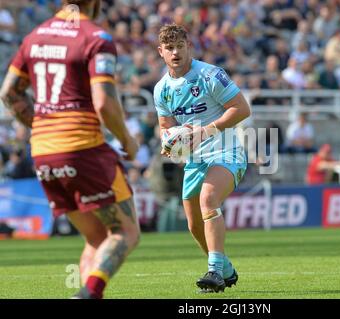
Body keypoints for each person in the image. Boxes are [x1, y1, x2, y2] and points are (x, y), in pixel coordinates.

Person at [0, 0, 140, 299]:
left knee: (96, 237)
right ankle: (89, 292)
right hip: (82, 147)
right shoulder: (95, 37)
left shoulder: (35, 36)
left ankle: (88, 293)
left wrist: (38, 124)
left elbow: (8, 92)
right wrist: (127, 140)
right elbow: (103, 101)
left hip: (43, 152)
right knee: (125, 232)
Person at [153, 24, 251, 292]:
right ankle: (226, 269)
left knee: (209, 199)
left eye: (180, 47)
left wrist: (207, 131)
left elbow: (242, 108)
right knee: (195, 225)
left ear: (189, 47)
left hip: (226, 152)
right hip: (195, 161)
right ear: (160, 52)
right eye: (170, 48)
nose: (176, 52)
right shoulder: (162, 89)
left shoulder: (209, 75)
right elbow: (166, 127)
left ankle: (214, 272)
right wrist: (170, 144)